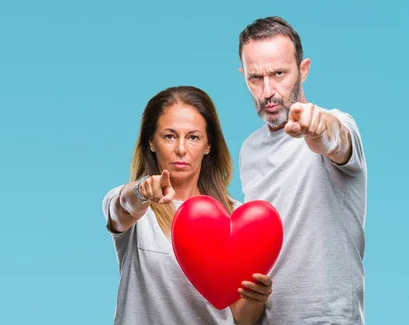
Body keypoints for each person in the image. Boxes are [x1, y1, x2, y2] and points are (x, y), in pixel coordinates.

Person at [101, 85, 274, 325]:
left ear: (208, 145)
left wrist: (255, 300)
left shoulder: (235, 220)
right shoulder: (138, 211)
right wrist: (142, 191)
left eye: (193, 137)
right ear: (151, 141)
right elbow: (121, 207)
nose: (181, 149)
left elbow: (238, 317)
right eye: (169, 136)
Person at [237, 16, 367, 324]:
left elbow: (336, 139)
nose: (267, 91)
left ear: (303, 70)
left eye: (279, 73)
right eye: (255, 78)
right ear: (243, 76)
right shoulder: (248, 151)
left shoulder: (339, 123)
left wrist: (317, 127)